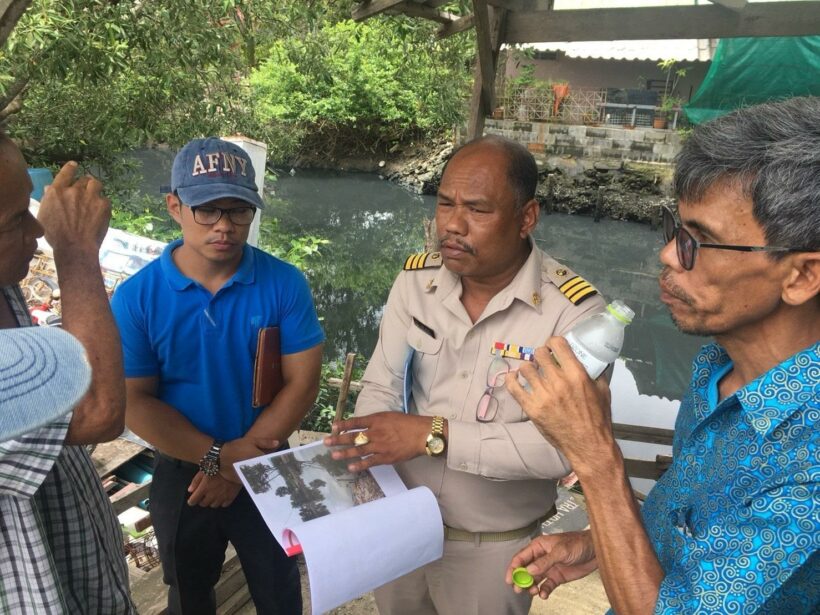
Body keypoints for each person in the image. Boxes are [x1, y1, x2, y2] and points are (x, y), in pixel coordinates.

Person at [506, 96, 820, 614]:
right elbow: (693, 516)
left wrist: (595, 458)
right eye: (677, 228)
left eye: (701, 241)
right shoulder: (715, 368)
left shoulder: (809, 458)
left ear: (802, 275)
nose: (669, 254)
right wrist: (599, 542)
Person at [325, 135, 607, 615]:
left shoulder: (575, 317)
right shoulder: (415, 283)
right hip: (396, 527)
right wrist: (365, 443)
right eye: (446, 204)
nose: (452, 225)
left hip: (493, 549)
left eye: (477, 209)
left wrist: (433, 435)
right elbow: (381, 385)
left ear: (526, 217)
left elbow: (563, 450)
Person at [110, 137, 324, 615]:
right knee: (188, 591)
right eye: (207, 210)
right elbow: (136, 400)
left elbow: (303, 382)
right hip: (184, 473)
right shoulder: (136, 298)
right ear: (174, 206)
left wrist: (235, 467)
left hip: (266, 463)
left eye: (238, 210)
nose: (224, 226)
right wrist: (217, 458)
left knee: (278, 588)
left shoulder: (283, 281)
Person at [0, 133, 136, 613]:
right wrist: (77, 252)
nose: (37, 229)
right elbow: (96, 410)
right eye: (15, 219)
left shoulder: (4, 282)